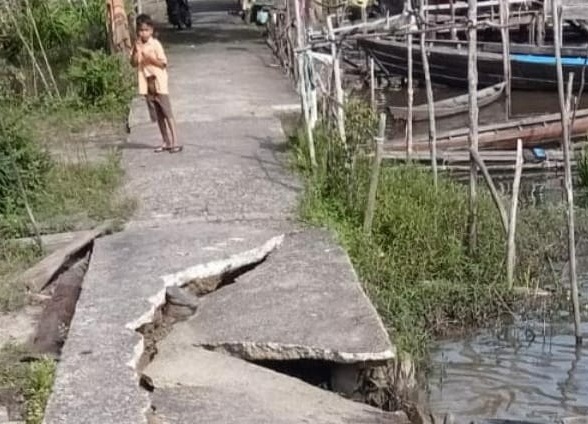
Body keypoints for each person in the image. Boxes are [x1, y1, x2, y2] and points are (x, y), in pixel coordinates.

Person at [131, 14, 181, 153]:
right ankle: (166, 141)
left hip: (158, 82)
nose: (143, 33)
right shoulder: (138, 45)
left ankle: (175, 140)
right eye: (141, 30)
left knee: (167, 112)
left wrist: (151, 59)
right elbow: (134, 63)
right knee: (158, 115)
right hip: (147, 84)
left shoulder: (155, 44)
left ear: (151, 30)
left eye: (146, 30)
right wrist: (136, 50)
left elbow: (163, 63)